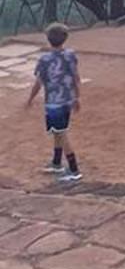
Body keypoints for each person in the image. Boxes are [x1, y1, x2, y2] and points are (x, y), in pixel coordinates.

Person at [26, 22, 82, 183]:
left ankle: (74, 169)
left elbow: (39, 82)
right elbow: (76, 77)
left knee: (62, 134)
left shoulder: (45, 59)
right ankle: (57, 163)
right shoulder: (70, 55)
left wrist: (30, 99)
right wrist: (77, 97)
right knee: (58, 130)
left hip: (53, 102)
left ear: (48, 39)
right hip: (67, 100)